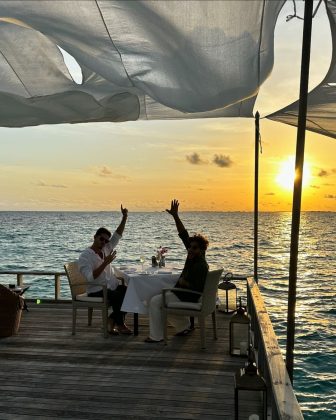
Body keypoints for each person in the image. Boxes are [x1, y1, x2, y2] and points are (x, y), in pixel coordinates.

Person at [145, 199, 209, 343]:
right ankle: (183, 326)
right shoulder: (195, 256)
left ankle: (156, 337)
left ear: (202, 250)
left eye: (194, 248)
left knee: (155, 301)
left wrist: (183, 282)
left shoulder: (200, 265)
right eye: (190, 247)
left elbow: (197, 288)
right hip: (183, 295)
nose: (190, 249)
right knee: (162, 298)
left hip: (188, 297)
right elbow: (183, 234)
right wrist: (175, 216)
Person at [78, 205, 132, 335]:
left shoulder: (106, 249)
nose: (104, 242)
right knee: (118, 296)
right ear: (95, 237)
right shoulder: (85, 256)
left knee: (131, 293)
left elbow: (117, 235)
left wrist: (125, 217)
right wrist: (105, 263)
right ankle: (120, 324)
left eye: (106, 240)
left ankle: (111, 319)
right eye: (101, 239)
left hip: (110, 287)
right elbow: (90, 278)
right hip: (96, 290)